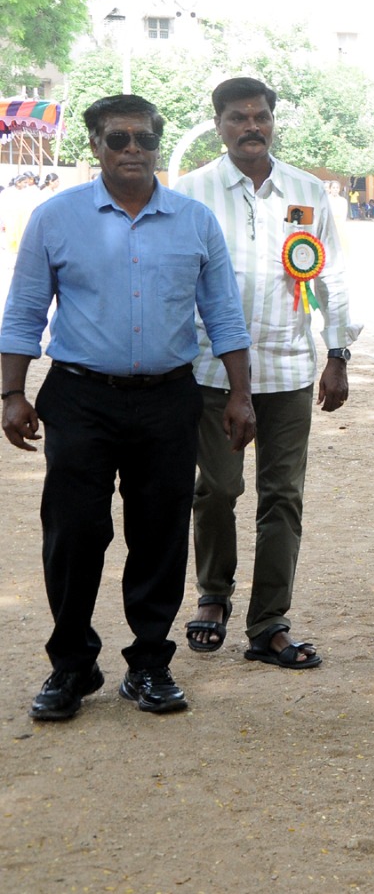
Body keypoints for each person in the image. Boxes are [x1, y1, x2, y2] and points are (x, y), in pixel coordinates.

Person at [1, 93, 256, 720]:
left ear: (157, 145)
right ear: (95, 145)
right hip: (79, 398)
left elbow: (224, 314)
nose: (133, 150)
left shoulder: (195, 221)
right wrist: (11, 393)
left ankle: (149, 664)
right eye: (118, 139)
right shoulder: (55, 218)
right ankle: (72, 665)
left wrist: (240, 394)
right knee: (73, 533)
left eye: (144, 138)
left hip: (169, 399)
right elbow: (25, 311)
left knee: (160, 533)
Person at [173, 77, 360, 670]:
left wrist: (337, 353)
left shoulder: (307, 191)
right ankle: (213, 594)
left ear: (273, 121)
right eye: (238, 117)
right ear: (219, 124)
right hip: (210, 370)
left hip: (289, 368)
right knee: (217, 488)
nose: (251, 126)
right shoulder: (190, 192)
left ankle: (269, 622)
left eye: (260, 116)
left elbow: (331, 275)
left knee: (282, 496)